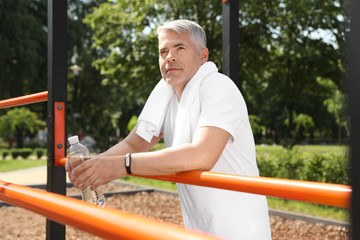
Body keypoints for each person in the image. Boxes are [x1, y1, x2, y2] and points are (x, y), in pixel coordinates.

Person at [66, 19, 271, 239]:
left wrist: (123, 165)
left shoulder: (217, 85)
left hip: (240, 230)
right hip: (198, 229)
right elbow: (135, 143)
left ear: (203, 56)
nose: (169, 57)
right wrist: (92, 168)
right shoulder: (167, 93)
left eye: (179, 48)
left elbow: (202, 155)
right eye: (163, 51)